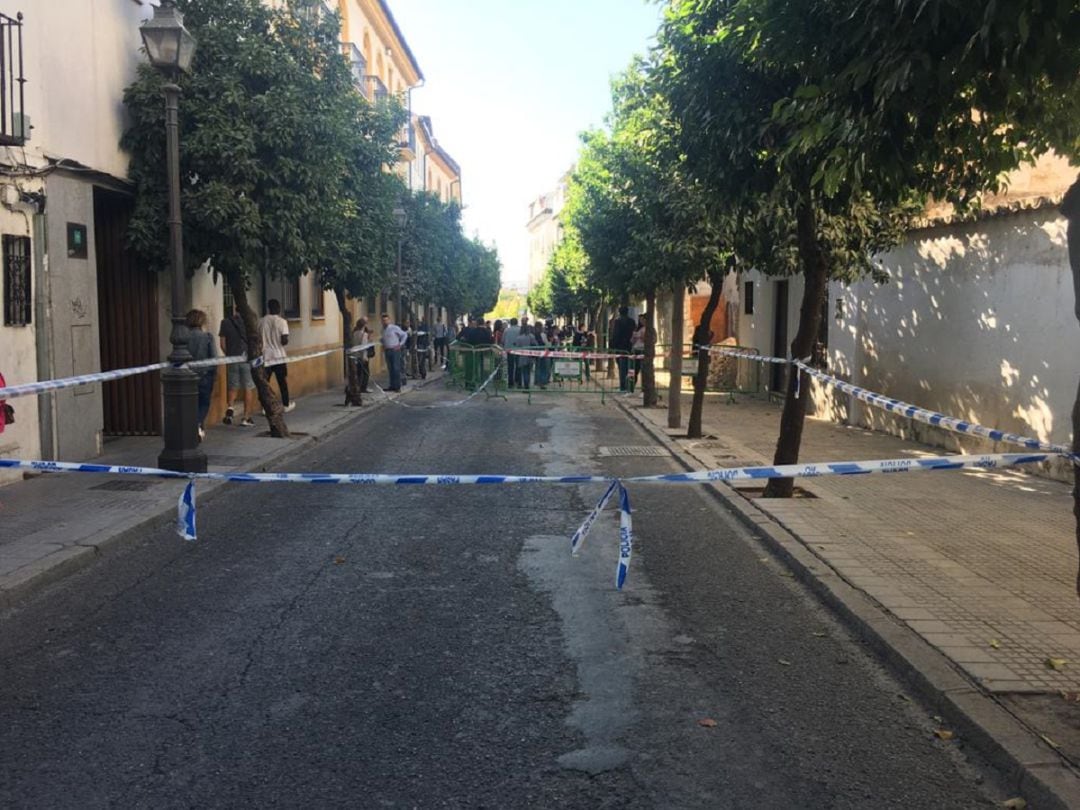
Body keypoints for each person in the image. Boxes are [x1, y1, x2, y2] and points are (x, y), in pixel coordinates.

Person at [218, 304, 255, 427]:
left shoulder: (225, 322)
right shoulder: (250, 322)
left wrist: (229, 355)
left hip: (232, 358)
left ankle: (230, 409)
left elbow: (222, 344)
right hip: (246, 358)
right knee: (248, 387)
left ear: (235, 310)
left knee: (233, 386)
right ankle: (246, 417)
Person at [186, 309, 218, 441]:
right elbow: (214, 358)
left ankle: (197, 428)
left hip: (187, 375)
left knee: (189, 403)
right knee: (204, 403)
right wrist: (214, 374)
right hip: (205, 375)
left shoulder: (183, 337)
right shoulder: (207, 337)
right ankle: (198, 425)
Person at [259, 298, 294, 412]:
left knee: (265, 383)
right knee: (282, 382)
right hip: (279, 356)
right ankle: (286, 404)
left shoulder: (261, 321)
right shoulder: (282, 322)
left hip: (266, 356)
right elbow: (284, 340)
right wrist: (284, 339)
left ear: (269, 308)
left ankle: (265, 407)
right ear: (278, 308)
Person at [610, 305, 637, 392]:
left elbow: (616, 334)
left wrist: (613, 346)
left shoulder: (618, 321)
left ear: (619, 312)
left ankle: (623, 386)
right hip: (630, 346)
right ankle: (630, 385)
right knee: (630, 367)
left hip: (620, 347)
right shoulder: (632, 321)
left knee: (622, 368)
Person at [380, 312, 408, 391]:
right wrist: (383, 342)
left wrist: (400, 344)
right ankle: (392, 385)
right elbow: (383, 339)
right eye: (383, 320)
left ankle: (397, 386)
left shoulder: (394, 328)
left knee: (396, 368)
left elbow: (404, 335)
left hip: (395, 350)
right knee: (390, 368)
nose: (384, 322)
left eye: (386, 320)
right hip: (387, 350)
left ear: (389, 320)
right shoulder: (382, 330)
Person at [511, 318, 537, 389]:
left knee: (521, 371)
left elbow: (516, 347)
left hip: (521, 356)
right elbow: (535, 344)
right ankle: (527, 385)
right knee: (528, 371)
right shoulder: (531, 336)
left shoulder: (519, 338)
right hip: (530, 355)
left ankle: (521, 384)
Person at [353, 317, 373, 393]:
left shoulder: (354, 333)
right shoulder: (364, 335)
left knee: (358, 373)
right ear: (364, 325)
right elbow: (363, 346)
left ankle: (357, 387)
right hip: (362, 357)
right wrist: (364, 357)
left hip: (356, 356)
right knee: (365, 373)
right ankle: (363, 388)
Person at [630, 314, 647, 394]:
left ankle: (644, 390)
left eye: (643, 319)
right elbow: (632, 341)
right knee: (634, 371)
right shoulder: (638, 329)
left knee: (644, 372)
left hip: (643, 351)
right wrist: (634, 337)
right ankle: (630, 388)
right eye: (640, 320)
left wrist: (642, 337)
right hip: (636, 350)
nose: (641, 321)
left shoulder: (649, 329)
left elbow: (652, 340)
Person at [501, 317, 520, 388]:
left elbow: (503, 340)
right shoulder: (520, 329)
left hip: (509, 350)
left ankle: (510, 382)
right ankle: (517, 380)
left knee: (510, 366)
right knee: (518, 365)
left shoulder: (506, 330)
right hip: (519, 350)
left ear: (510, 323)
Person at [533, 323, 551, 388]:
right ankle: (542, 382)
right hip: (543, 352)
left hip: (536, 353)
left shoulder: (533, 334)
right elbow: (546, 344)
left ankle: (537, 381)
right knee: (543, 368)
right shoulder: (542, 335)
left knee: (537, 367)